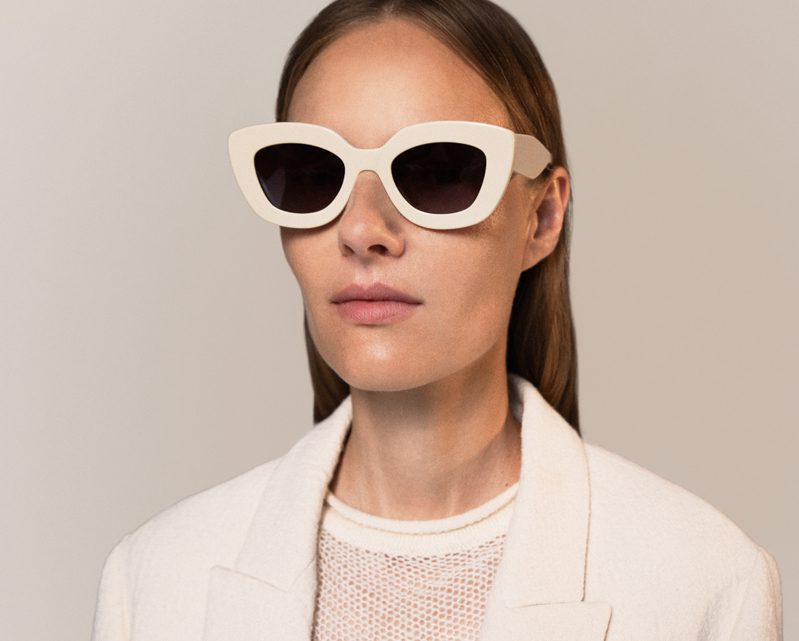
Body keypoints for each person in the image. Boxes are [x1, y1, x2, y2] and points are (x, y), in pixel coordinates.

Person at [90, 1, 784, 639]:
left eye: (437, 171)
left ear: (541, 216)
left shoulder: (703, 583)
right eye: (313, 173)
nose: (362, 230)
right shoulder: (155, 579)